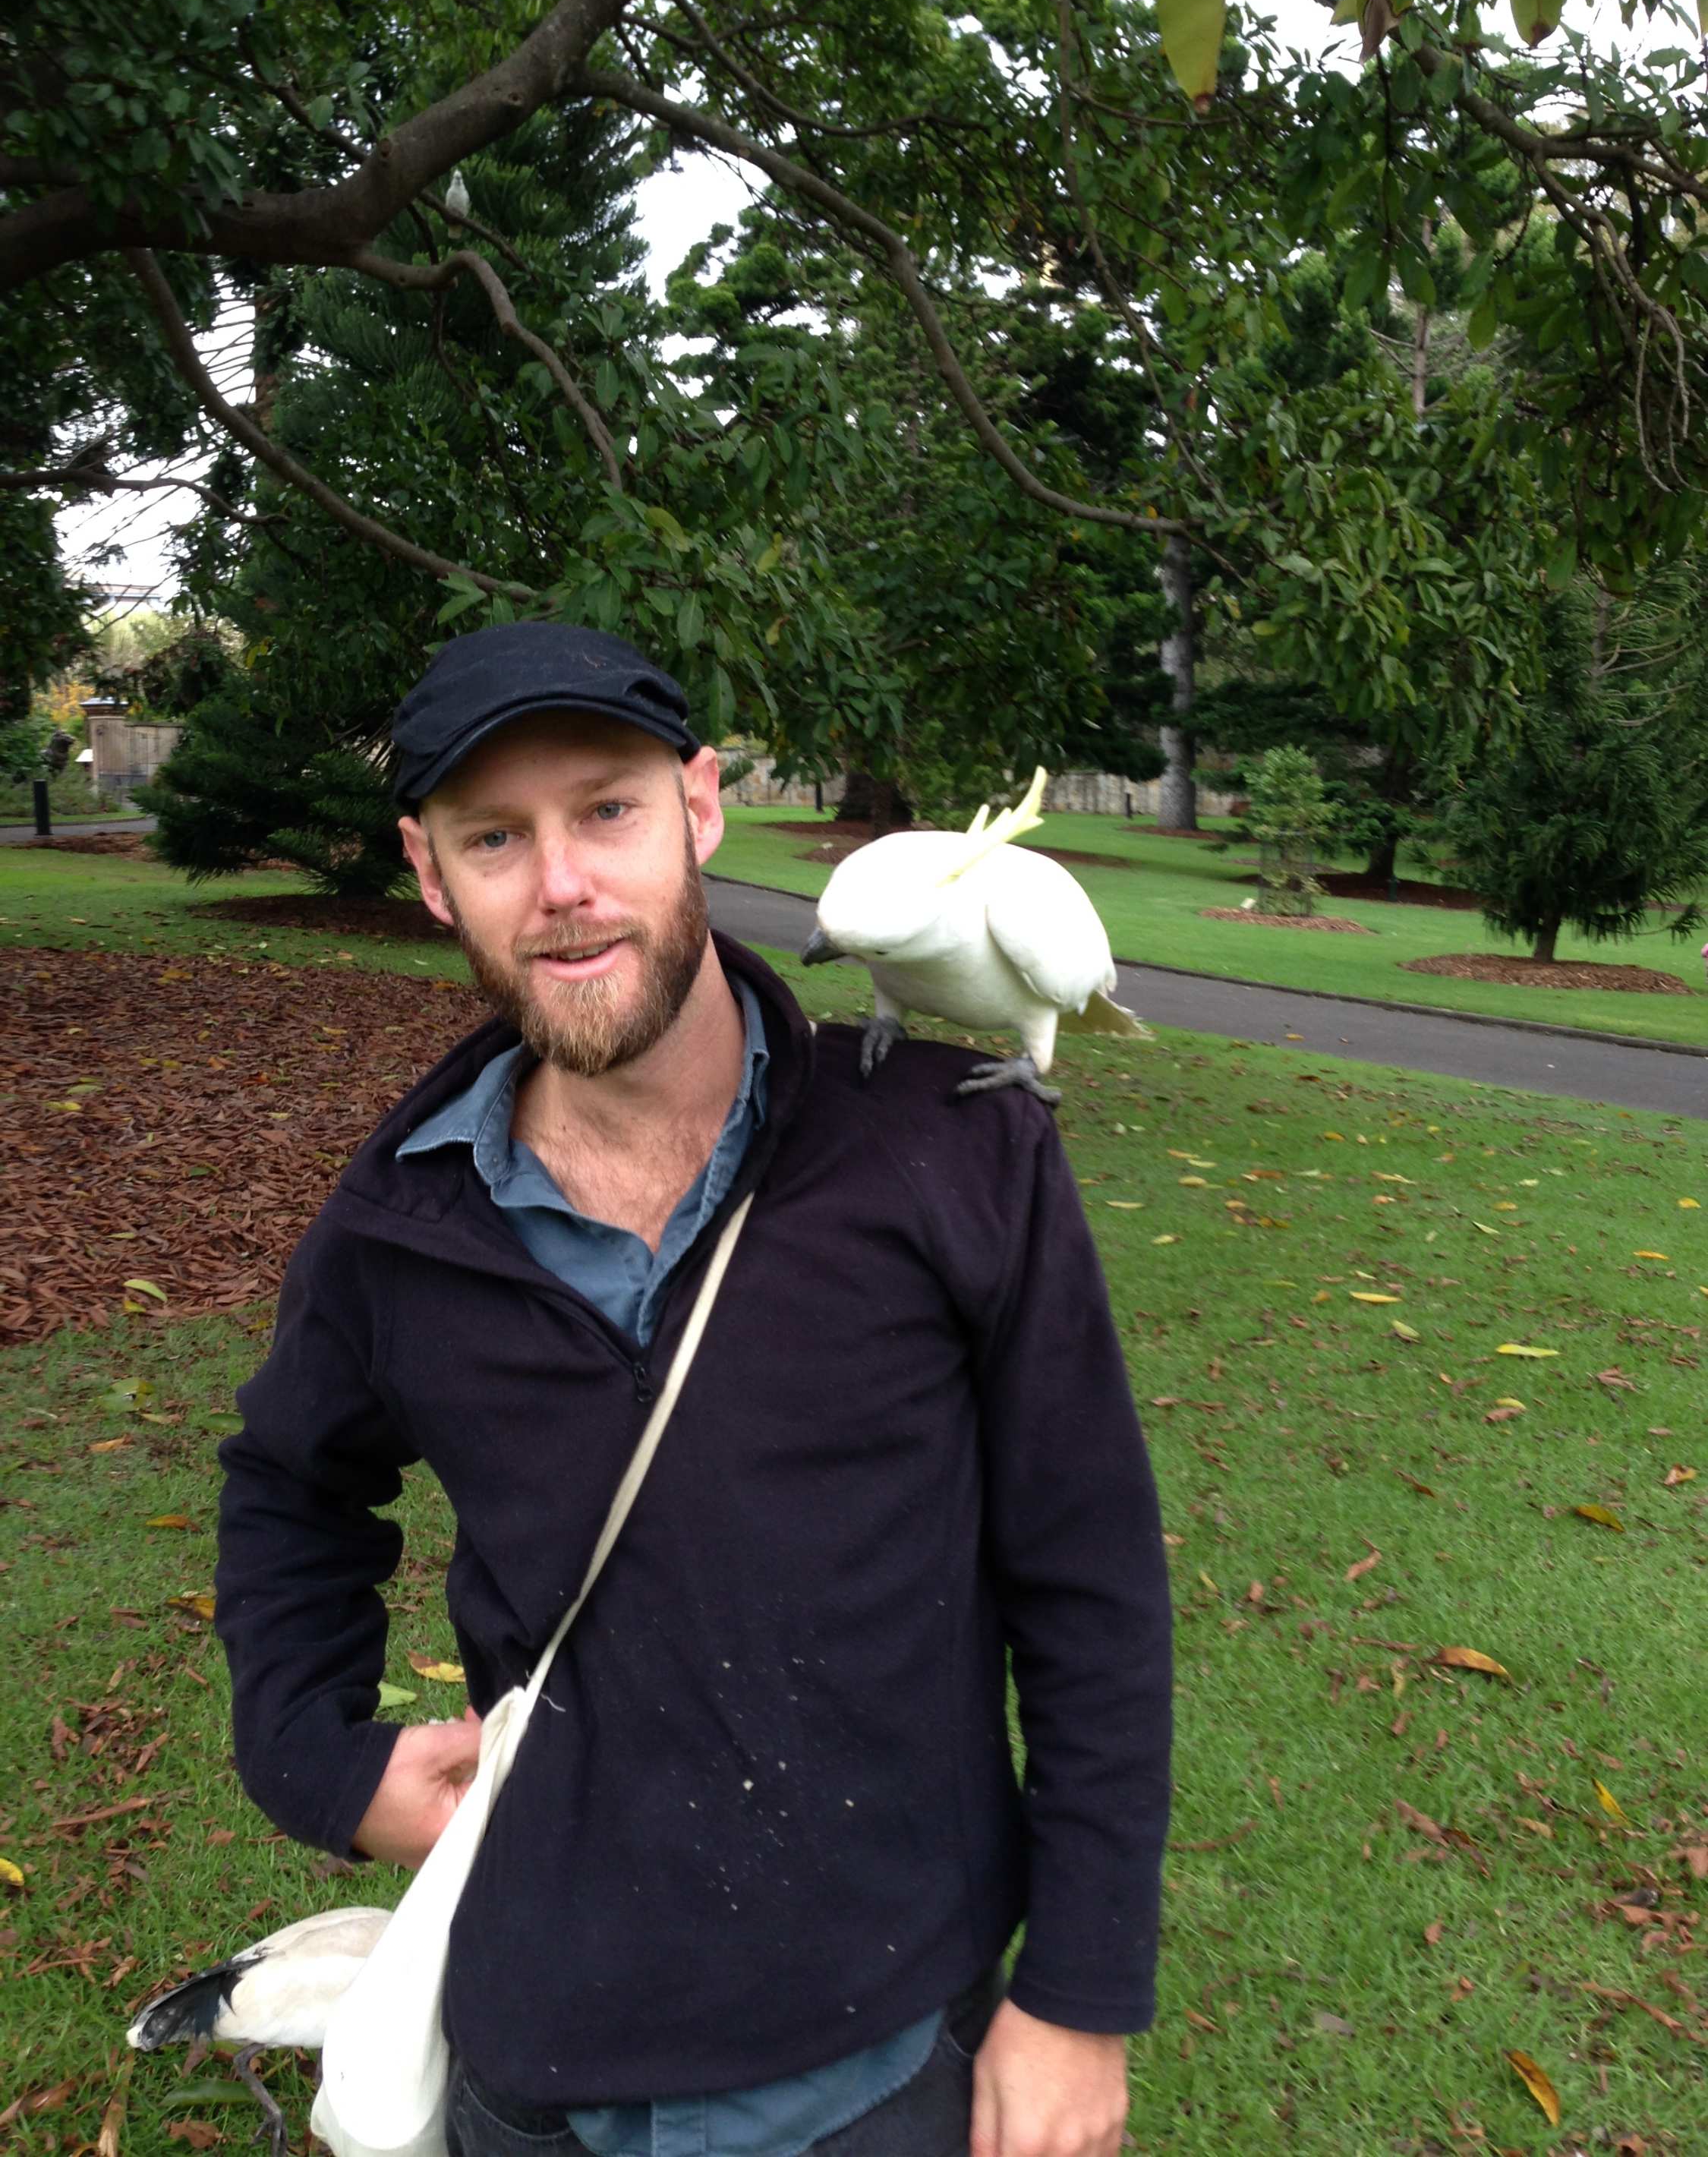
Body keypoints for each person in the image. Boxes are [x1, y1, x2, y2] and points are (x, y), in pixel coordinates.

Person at [213, 623, 1173, 2157]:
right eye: (495, 839)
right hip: (537, 2057)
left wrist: (1077, 1993)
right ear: (430, 873)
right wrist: (319, 1757)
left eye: (607, 810)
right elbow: (287, 1488)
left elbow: (1093, 1586)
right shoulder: (401, 1226)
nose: (564, 883)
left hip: (884, 2059)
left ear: (700, 809)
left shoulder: (951, 1154)